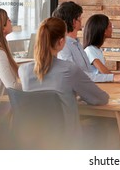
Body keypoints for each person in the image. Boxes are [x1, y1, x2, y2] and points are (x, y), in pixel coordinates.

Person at [18, 17, 109, 147]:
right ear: (61, 42)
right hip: (67, 141)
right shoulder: (69, 69)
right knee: (106, 125)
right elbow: (100, 99)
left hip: (34, 139)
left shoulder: (23, 71)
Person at [52, 1, 120, 83]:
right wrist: (112, 78)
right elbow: (76, 75)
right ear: (74, 22)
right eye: (80, 18)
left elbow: (89, 73)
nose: (82, 21)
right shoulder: (63, 47)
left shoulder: (77, 44)